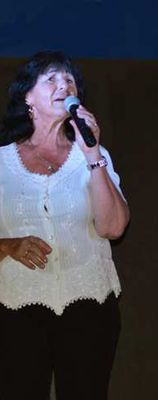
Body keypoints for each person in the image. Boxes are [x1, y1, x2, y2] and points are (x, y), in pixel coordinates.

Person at [0, 51, 130, 400]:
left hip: (89, 307)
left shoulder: (92, 157)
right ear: (28, 97)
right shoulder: (1, 163)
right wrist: (8, 246)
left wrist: (93, 156)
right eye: (52, 79)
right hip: (17, 308)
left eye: (70, 80)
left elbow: (114, 227)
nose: (64, 85)